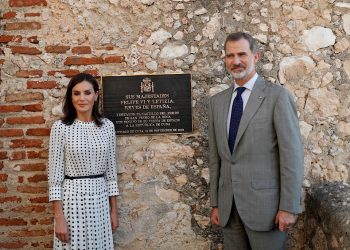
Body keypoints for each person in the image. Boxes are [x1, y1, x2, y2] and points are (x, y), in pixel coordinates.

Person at [208, 32, 304, 249]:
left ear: (256, 57)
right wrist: (216, 203)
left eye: (242, 54)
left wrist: (288, 207)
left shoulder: (277, 97)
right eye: (230, 56)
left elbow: (292, 156)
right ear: (225, 59)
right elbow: (216, 158)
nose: (236, 61)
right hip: (228, 210)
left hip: (266, 211)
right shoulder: (217, 103)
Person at [48, 73, 119, 249]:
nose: (82, 98)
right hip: (72, 201)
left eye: (87, 93)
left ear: (96, 95)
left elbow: (111, 174)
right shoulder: (61, 128)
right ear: (70, 97)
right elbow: (55, 178)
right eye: (76, 93)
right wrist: (58, 217)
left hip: (100, 201)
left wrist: (114, 211)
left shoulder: (107, 126)